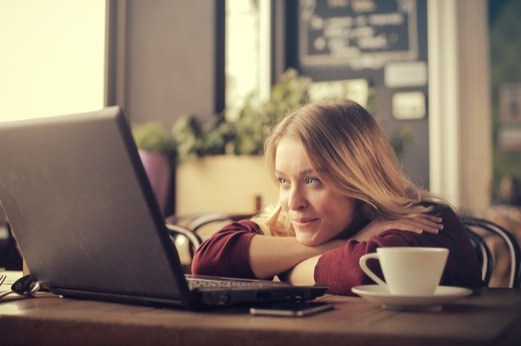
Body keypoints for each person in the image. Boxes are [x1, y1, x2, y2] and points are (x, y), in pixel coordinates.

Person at [191, 99, 482, 295]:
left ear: (359, 179)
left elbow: (359, 273)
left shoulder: (425, 222)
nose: (293, 202)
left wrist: (288, 270)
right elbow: (208, 260)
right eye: (283, 181)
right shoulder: (298, 225)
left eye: (313, 180)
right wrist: (343, 244)